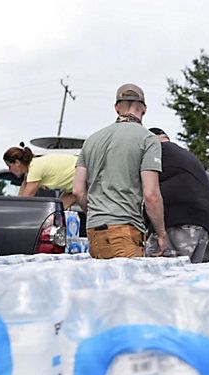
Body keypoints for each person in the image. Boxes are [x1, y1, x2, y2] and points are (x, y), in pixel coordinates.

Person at [71, 84, 166, 259]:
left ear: (116, 108)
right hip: (125, 229)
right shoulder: (148, 139)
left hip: (94, 232)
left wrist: (96, 213)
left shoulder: (91, 140)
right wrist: (161, 234)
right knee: (127, 286)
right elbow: (151, 194)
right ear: (144, 109)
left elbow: (77, 191)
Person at [144, 128, 209, 262]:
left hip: (176, 223)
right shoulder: (185, 155)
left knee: (160, 276)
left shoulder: (156, 151)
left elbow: (150, 194)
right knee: (186, 277)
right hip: (202, 224)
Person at [2, 145, 78, 208]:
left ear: (17, 163)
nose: (9, 170)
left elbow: (25, 200)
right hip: (75, 185)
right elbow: (20, 199)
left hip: (85, 176)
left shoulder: (34, 169)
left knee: (57, 210)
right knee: (57, 209)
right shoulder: (31, 170)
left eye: (9, 166)